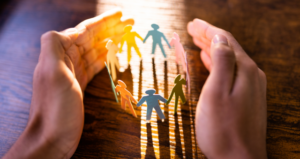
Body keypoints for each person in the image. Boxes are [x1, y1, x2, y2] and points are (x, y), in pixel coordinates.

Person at [3, 9, 267, 159]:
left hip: (159, 95)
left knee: (158, 109)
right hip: (149, 97)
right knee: (155, 109)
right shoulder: (129, 90)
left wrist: (49, 140)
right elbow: (145, 99)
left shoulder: (152, 84)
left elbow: (155, 97)